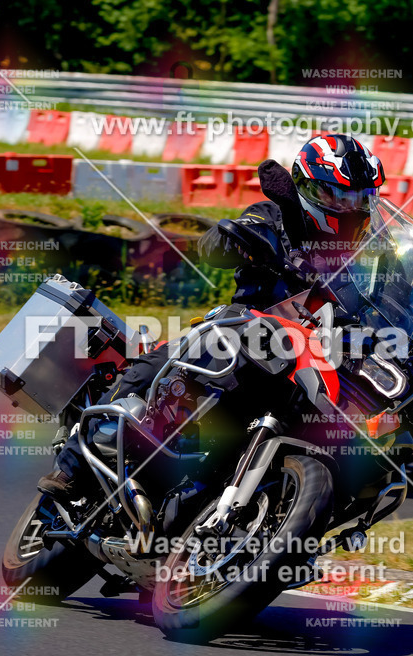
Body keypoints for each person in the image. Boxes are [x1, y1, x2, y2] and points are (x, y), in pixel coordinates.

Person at [38, 134, 387, 505]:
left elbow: (381, 307)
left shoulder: (368, 257)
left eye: (360, 198)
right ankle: (72, 464)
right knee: (148, 369)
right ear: (308, 188)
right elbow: (219, 242)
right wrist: (237, 241)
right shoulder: (274, 217)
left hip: (311, 358)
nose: (351, 207)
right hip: (243, 329)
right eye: (339, 196)